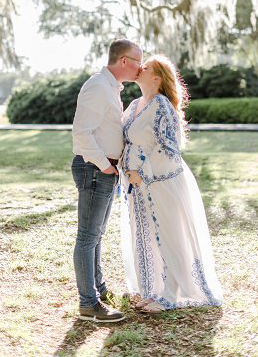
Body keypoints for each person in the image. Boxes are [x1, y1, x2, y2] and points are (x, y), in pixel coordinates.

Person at [118, 54, 222, 313]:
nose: (139, 68)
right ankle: (152, 290)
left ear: (156, 78)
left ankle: (170, 294)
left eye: (147, 67)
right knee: (145, 234)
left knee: (167, 234)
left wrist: (141, 171)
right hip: (136, 184)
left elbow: (169, 148)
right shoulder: (134, 105)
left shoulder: (162, 105)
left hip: (161, 181)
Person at [71, 39, 142, 323]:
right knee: (88, 237)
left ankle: (98, 289)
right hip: (94, 169)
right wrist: (105, 165)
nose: (141, 66)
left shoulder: (111, 88)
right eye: (138, 60)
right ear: (124, 61)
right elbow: (81, 134)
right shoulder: (98, 87)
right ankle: (88, 303)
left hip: (105, 170)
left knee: (96, 235)